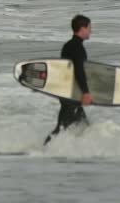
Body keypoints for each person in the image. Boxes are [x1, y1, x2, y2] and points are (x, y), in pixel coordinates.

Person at [45, 14, 92, 145]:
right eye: (89, 28)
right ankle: (43, 150)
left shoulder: (69, 45)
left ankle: (75, 149)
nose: (91, 31)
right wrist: (86, 92)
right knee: (61, 128)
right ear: (82, 28)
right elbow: (78, 71)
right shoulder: (77, 48)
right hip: (71, 94)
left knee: (83, 125)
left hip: (68, 91)